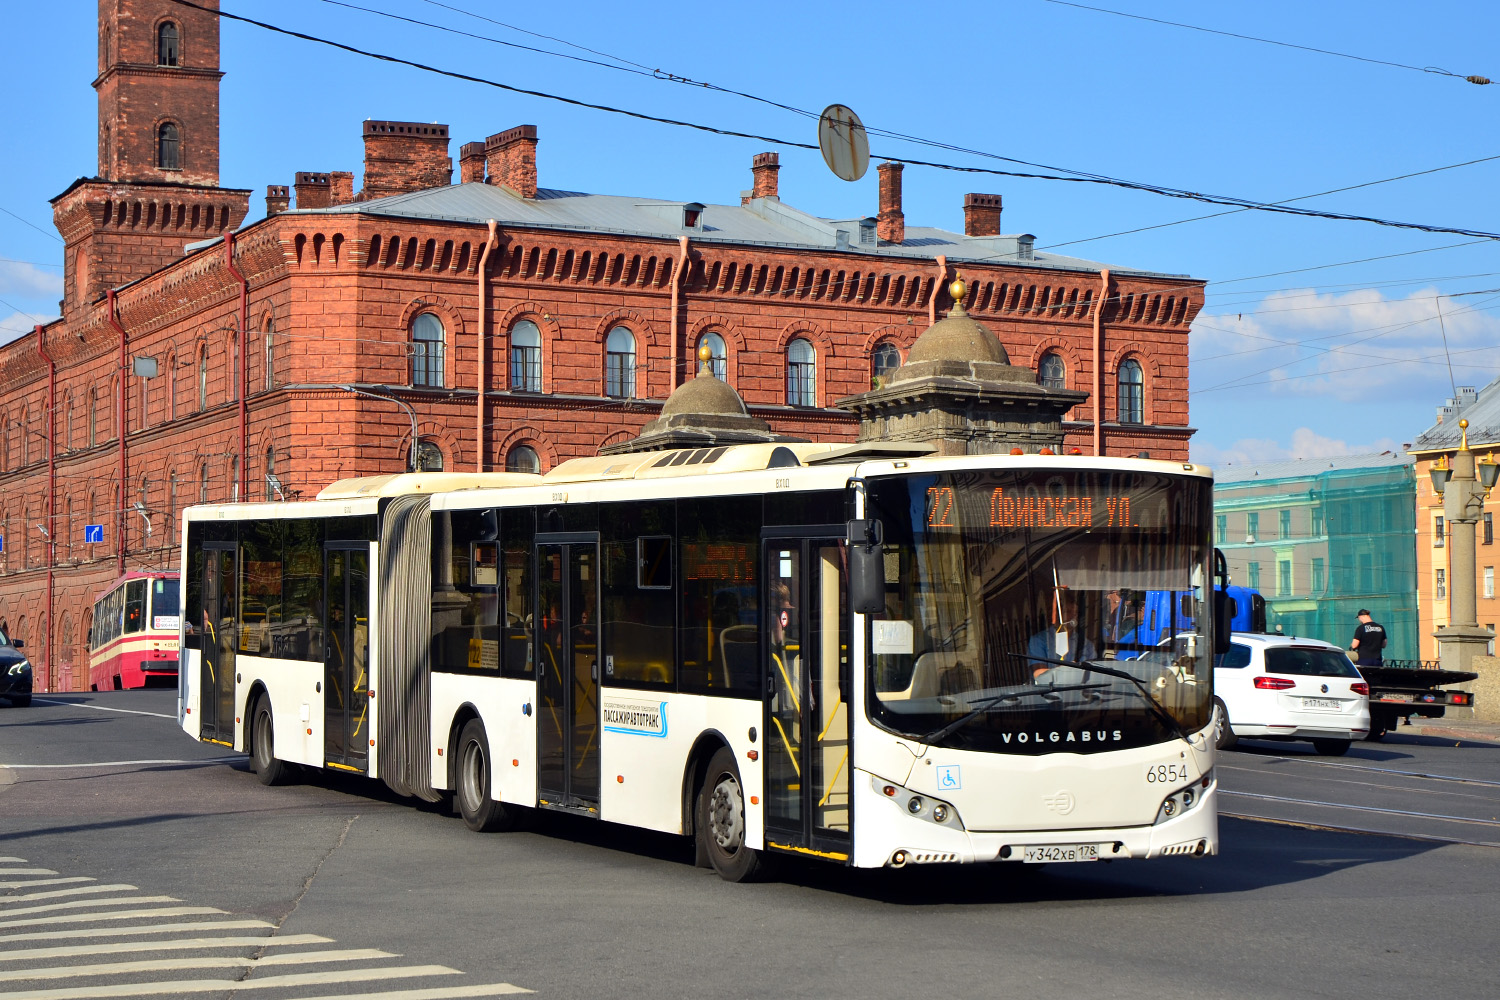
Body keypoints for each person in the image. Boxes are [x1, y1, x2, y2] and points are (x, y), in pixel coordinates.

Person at [1028, 588, 1097, 674]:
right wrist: (1063, 671)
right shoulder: (1039, 641)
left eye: (1075, 612)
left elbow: (1094, 672)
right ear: (1057, 614)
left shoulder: (1087, 645)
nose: (1073, 616)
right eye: (1068, 612)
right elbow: (1038, 674)